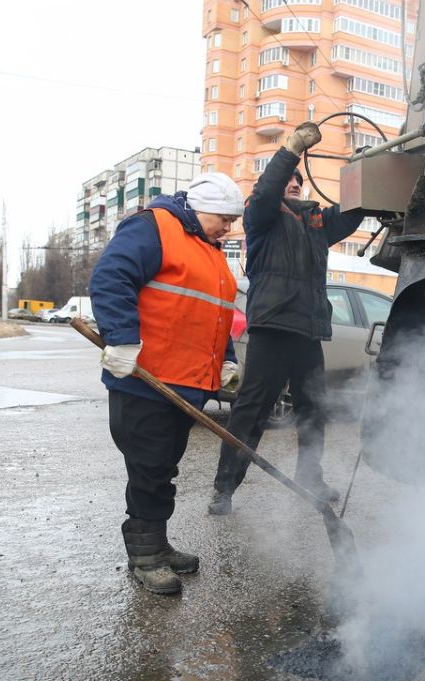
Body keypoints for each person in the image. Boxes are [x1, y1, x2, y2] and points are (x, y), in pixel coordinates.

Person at [89, 172, 244, 594]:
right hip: (147, 380)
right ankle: (145, 556)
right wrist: (121, 339)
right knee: (149, 468)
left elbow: (215, 313)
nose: (229, 228)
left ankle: (156, 543)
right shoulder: (153, 227)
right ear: (203, 209)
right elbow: (110, 278)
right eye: (225, 219)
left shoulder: (208, 250)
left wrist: (226, 359)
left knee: (163, 469)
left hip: (185, 383)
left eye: (233, 221)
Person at [207, 121, 365, 516]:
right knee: (251, 412)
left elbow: (351, 213)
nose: (294, 184)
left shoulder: (316, 223)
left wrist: (365, 171)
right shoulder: (262, 216)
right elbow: (266, 190)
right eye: (288, 181)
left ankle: (310, 477)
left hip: (308, 331)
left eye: (298, 182)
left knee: (313, 410)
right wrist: (292, 149)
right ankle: (224, 488)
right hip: (272, 328)